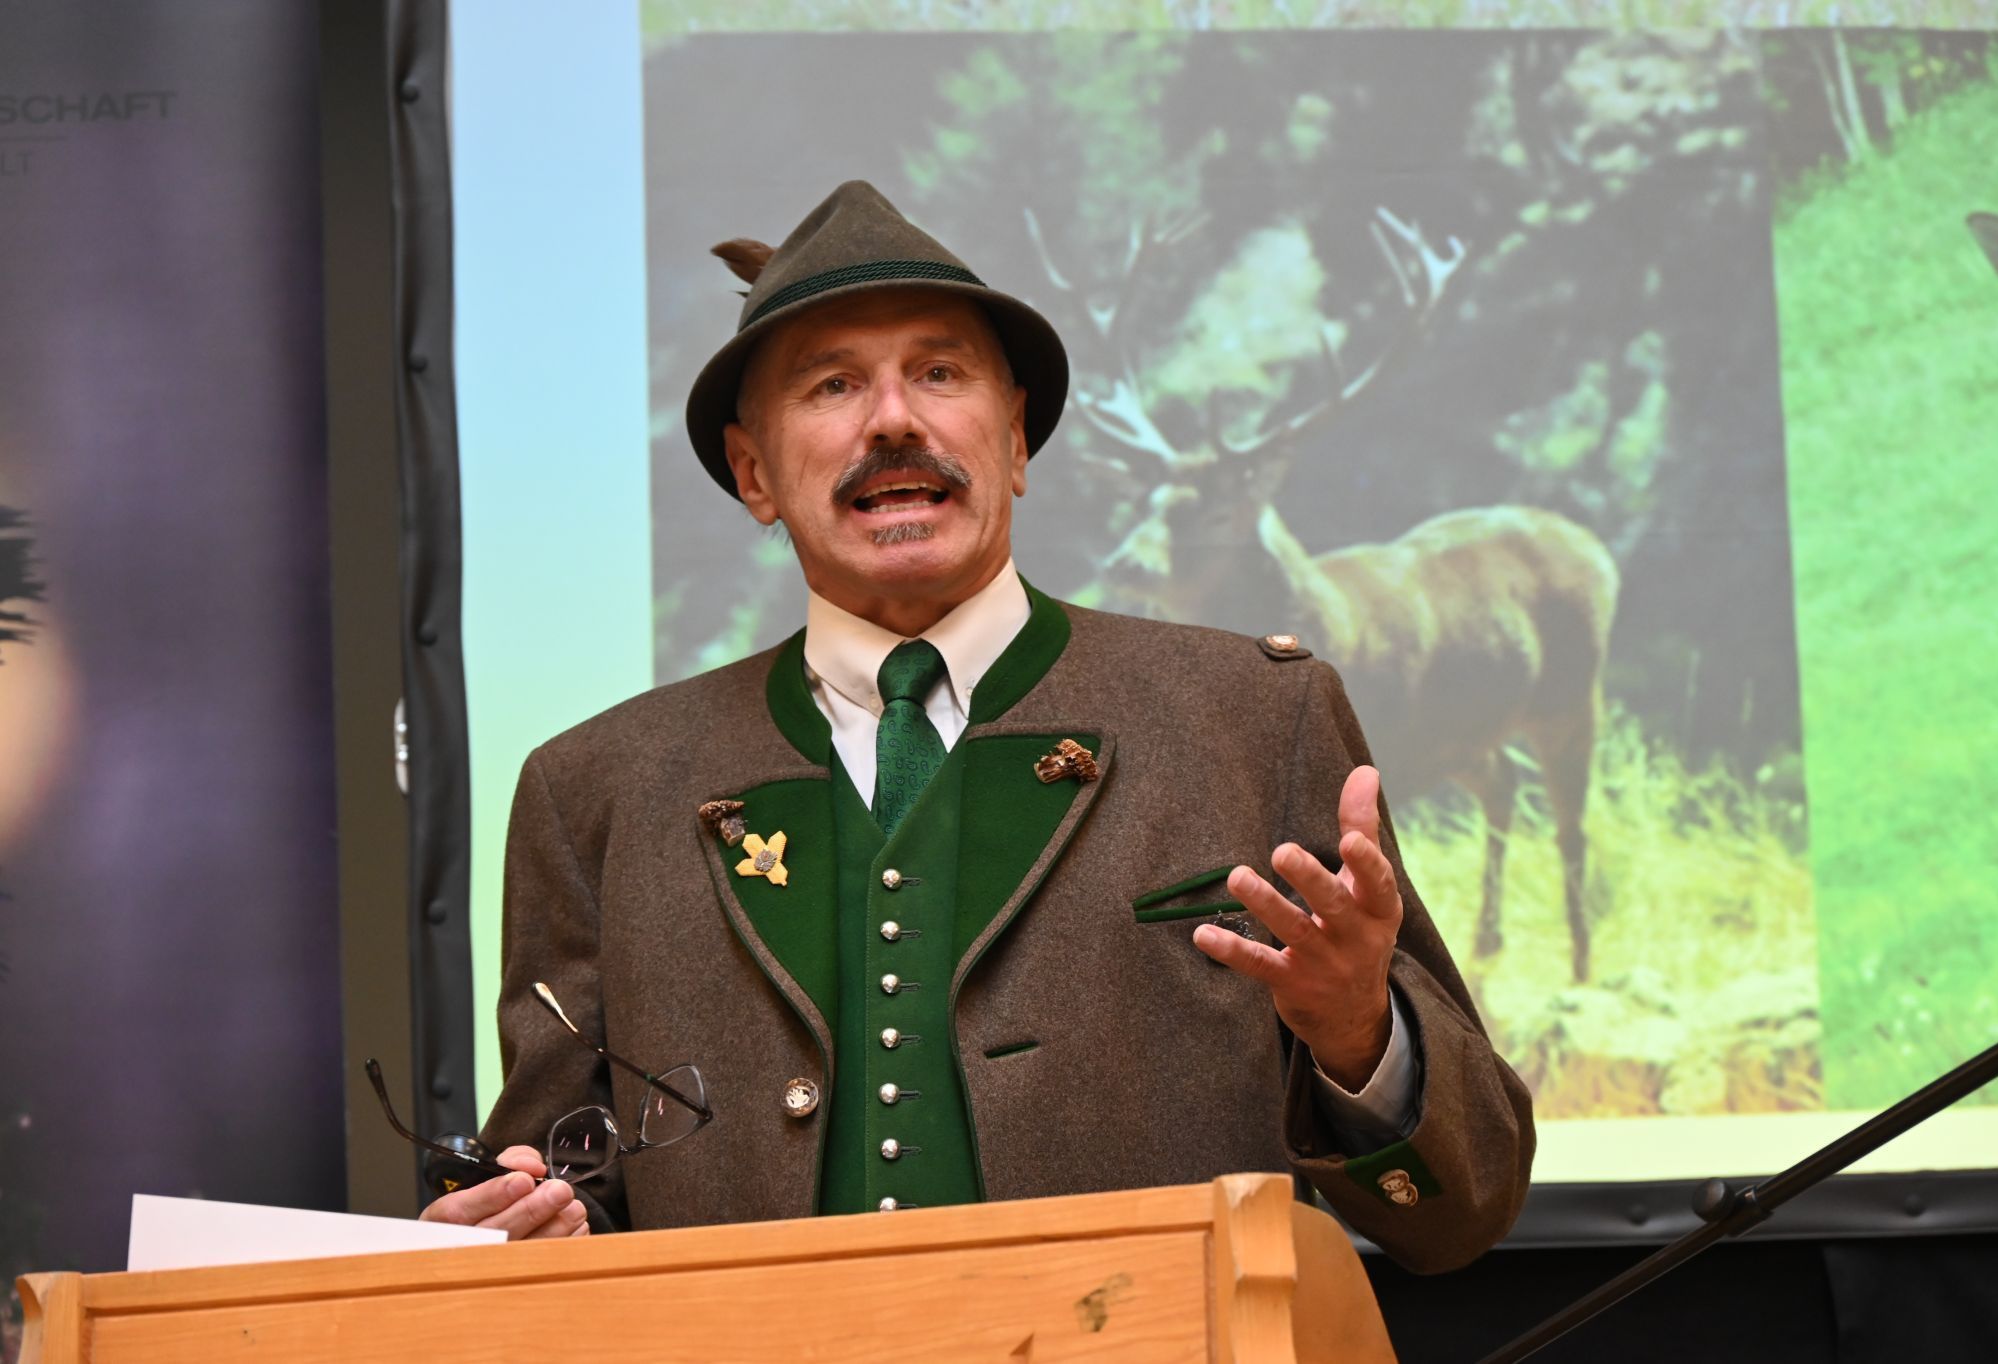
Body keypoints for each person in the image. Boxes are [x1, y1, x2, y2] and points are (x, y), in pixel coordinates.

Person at [422, 181, 1534, 1273]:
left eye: (939, 372)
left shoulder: (1254, 716)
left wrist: (1357, 1031)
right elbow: (571, 1190)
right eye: (830, 384)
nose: (894, 418)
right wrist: (527, 1225)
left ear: (1015, 441)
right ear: (754, 474)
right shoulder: (597, 790)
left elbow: (1463, 1206)